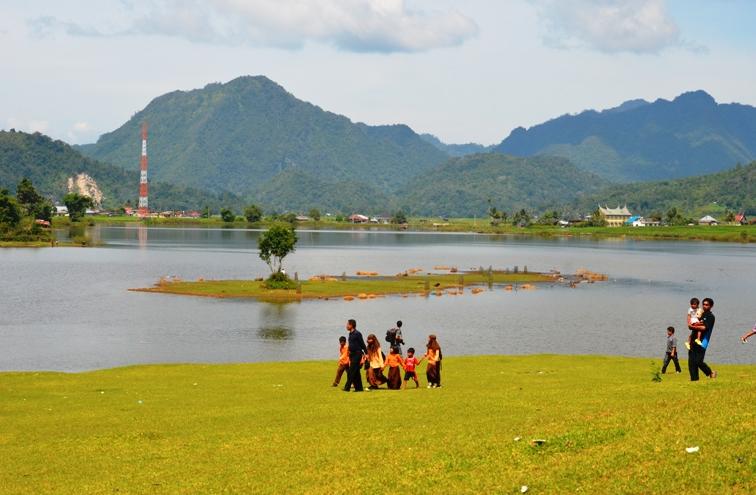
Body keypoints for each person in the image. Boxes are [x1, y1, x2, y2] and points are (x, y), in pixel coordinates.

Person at [688, 297, 717, 381]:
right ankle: (694, 380)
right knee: (691, 363)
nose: (704, 306)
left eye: (707, 305)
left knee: (698, 361)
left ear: (711, 306)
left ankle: (710, 373)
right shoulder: (700, 314)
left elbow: (704, 328)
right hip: (693, 340)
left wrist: (693, 326)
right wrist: (691, 325)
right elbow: (692, 323)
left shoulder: (711, 317)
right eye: (703, 304)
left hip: (703, 342)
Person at [343, 319, 367, 392]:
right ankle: (359, 388)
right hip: (352, 354)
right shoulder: (350, 333)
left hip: (357, 354)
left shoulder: (357, 333)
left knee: (351, 371)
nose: (346, 326)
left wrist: (367, 353)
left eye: (347, 324)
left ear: (351, 325)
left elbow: (362, 344)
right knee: (356, 372)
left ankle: (347, 388)